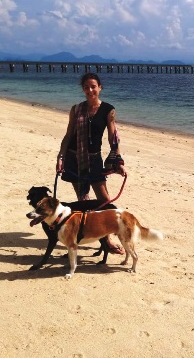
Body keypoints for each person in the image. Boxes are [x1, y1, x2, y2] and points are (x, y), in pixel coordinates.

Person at [56, 72, 126, 253]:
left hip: (94, 160)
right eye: (86, 87)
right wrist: (60, 157)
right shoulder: (76, 109)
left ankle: (107, 239)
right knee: (83, 201)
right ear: (83, 89)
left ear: (100, 87)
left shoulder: (108, 110)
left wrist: (118, 160)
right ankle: (83, 236)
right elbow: (68, 135)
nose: (90, 90)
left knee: (104, 201)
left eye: (93, 86)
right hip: (74, 158)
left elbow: (113, 138)